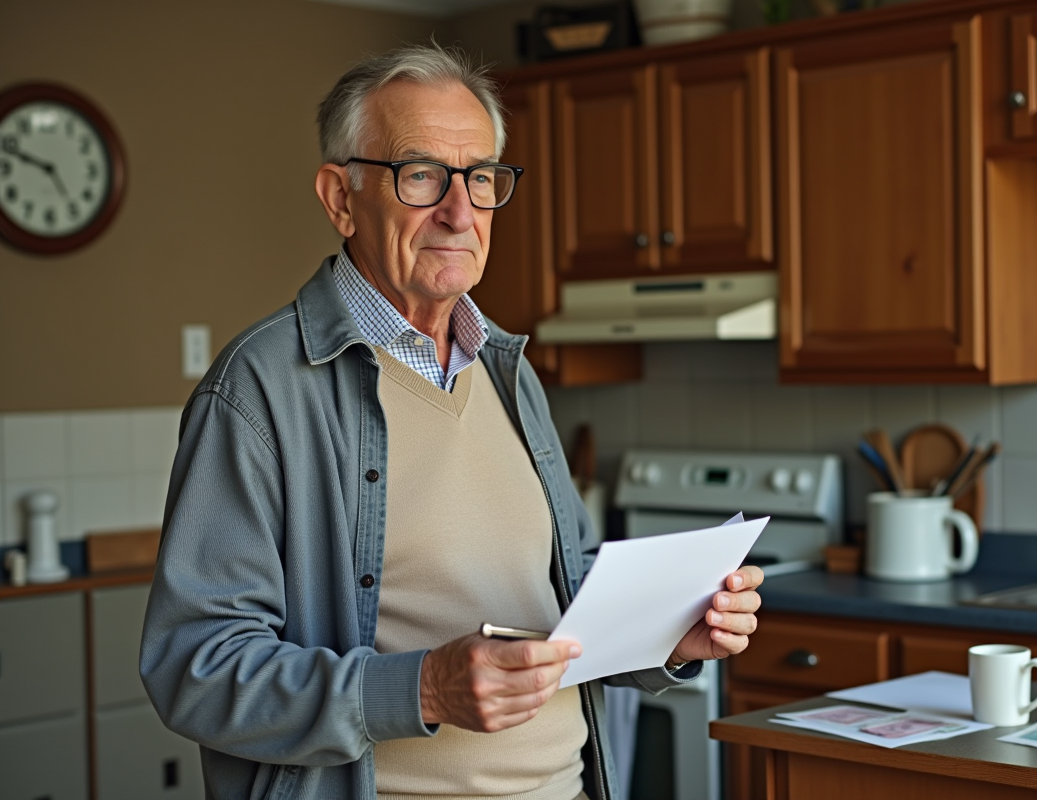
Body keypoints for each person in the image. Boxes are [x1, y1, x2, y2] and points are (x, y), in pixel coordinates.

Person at [139, 42, 763, 800]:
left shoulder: (508, 369)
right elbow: (194, 669)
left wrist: (667, 634)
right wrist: (424, 689)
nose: (460, 211)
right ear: (341, 198)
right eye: (422, 175)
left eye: (481, 178)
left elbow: (558, 608)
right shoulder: (258, 391)